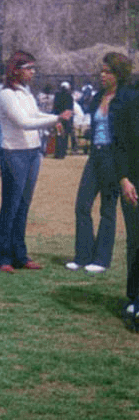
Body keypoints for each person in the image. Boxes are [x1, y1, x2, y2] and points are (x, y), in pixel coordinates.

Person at [0, 51, 72, 272]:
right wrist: (55, 119)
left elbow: (35, 116)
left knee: (24, 206)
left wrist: (55, 118)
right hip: (14, 153)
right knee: (11, 206)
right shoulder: (5, 94)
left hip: (32, 152)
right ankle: (2, 257)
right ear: (16, 70)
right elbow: (23, 122)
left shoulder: (25, 93)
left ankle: (20, 254)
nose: (32, 72)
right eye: (29, 68)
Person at [65, 54, 132, 275]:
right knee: (82, 205)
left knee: (107, 209)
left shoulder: (127, 98)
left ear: (118, 75)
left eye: (108, 72)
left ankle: (101, 259)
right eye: (101, 71)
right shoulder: (96, 97)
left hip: (114, 158)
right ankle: (82, 256)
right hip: (95, 155)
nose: (102, 75)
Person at [112, 61, 139, 328]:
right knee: (135, 241)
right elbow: (119, 143)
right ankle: (134, 297)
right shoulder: (131, 98)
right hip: (134, 180)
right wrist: (124, 179)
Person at [53, 82, 76, 158]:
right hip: (66, 118)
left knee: (59, 134)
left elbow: (55, 107)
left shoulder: (57, 96)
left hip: (59, 117)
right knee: (65, 135)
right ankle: (63, 152)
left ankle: (58, 153)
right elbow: (71, 108)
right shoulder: (69, 96)